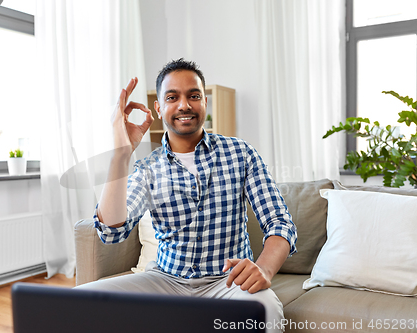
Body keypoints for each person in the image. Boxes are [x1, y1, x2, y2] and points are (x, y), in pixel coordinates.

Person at [76, 59, 297, 332]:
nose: (184, 105)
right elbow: (110, 232)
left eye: (194, 96)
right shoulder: (147, 168)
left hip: (227, 283)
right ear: (158, 108)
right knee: (82, 304)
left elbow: (279, 222)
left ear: (205, 102)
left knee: (266, 312)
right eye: (172, 97)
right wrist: (121, 154)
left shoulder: (241, 153)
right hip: (164, 281)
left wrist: (263, 268)